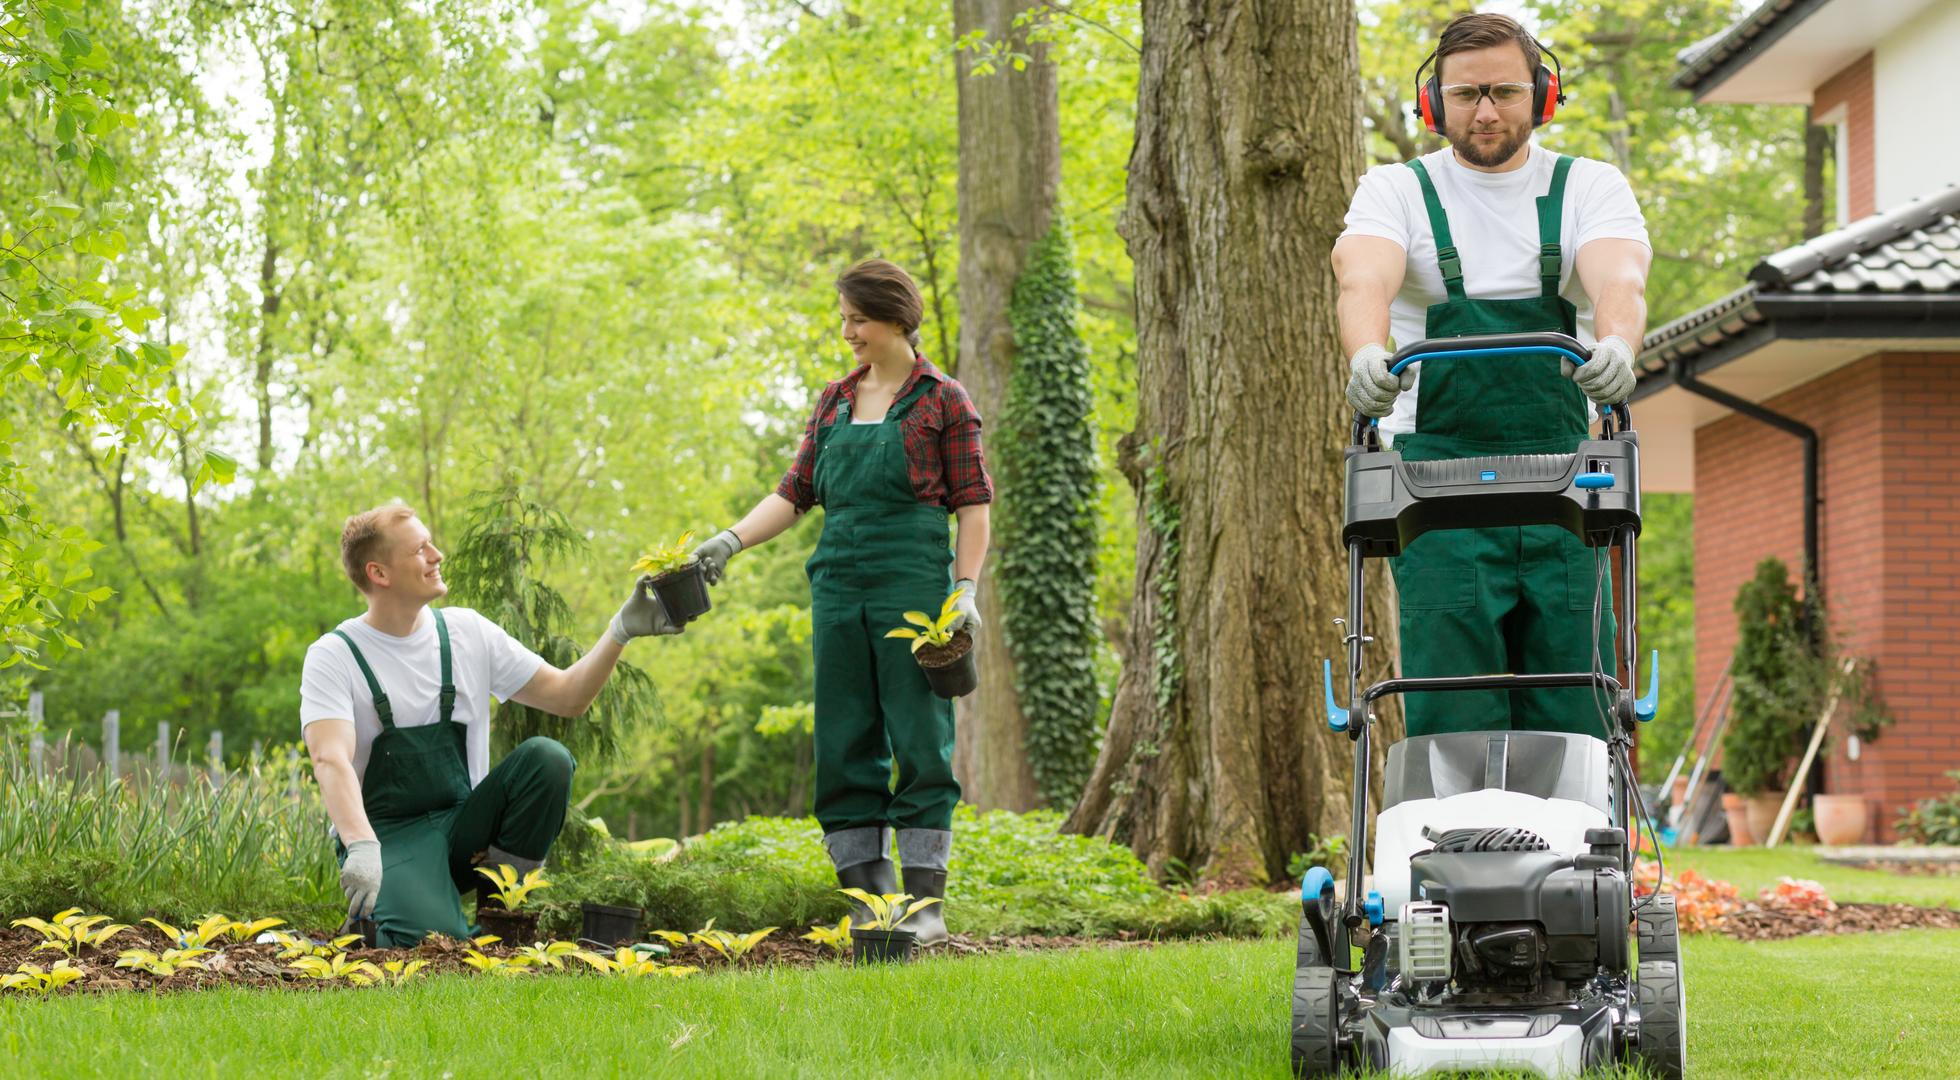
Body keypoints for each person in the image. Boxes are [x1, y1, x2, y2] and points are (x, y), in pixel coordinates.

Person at [1332, 12, 1651, 738]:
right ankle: (1452, 843)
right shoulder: (1396, 191)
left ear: (1542, 95)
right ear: (1433, 102)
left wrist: (1619, 346)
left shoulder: (1588, 187)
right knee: (1451, 704)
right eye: (1465, 94)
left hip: (1569, 490)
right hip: (1432, 497)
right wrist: (1364, 353)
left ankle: (1581, 845)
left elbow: (1620, 281)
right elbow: (1362, 279)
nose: (1484, 111)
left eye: (1504, 92)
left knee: (1576, 701)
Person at [689, 259, 992, 945]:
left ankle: (924, 906)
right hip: (837, 588)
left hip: (914, 588)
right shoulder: (833, 400)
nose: (848, 330)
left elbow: (973, 506)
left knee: (919, 736)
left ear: (894, 317)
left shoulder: (944, 399)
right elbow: (794, 493)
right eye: (847, 318)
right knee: (844, 735)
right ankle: (868, 898)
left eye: (857, 318)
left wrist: (966, 590)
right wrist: (730, 540)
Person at [300, 503, 679, 946]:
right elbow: (329, 757)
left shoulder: (468, 633)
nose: (437, 554)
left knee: (547, 759)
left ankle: (500, 916)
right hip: (385, 839)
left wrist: (620, 631)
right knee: (428, 944)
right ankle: (374, 926)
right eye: (420, 549)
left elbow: (567, 697)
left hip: (465, 827)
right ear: (379, 573)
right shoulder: (334, 655)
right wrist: (361, 845)